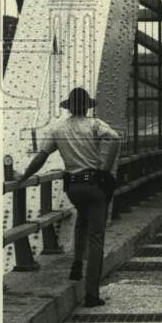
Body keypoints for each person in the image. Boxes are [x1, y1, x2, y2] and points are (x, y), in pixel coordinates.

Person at [15, 87, 120, 307]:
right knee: (96, 238)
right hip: (94, 185)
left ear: (69, 107)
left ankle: (76, 265)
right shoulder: (94, 124)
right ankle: (91, 294)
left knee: (82, 218)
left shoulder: (58, 129)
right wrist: (105, 169)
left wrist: (24, 176)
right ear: (87, 107)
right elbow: (114, 138)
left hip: (73, 188)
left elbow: (41, 158)